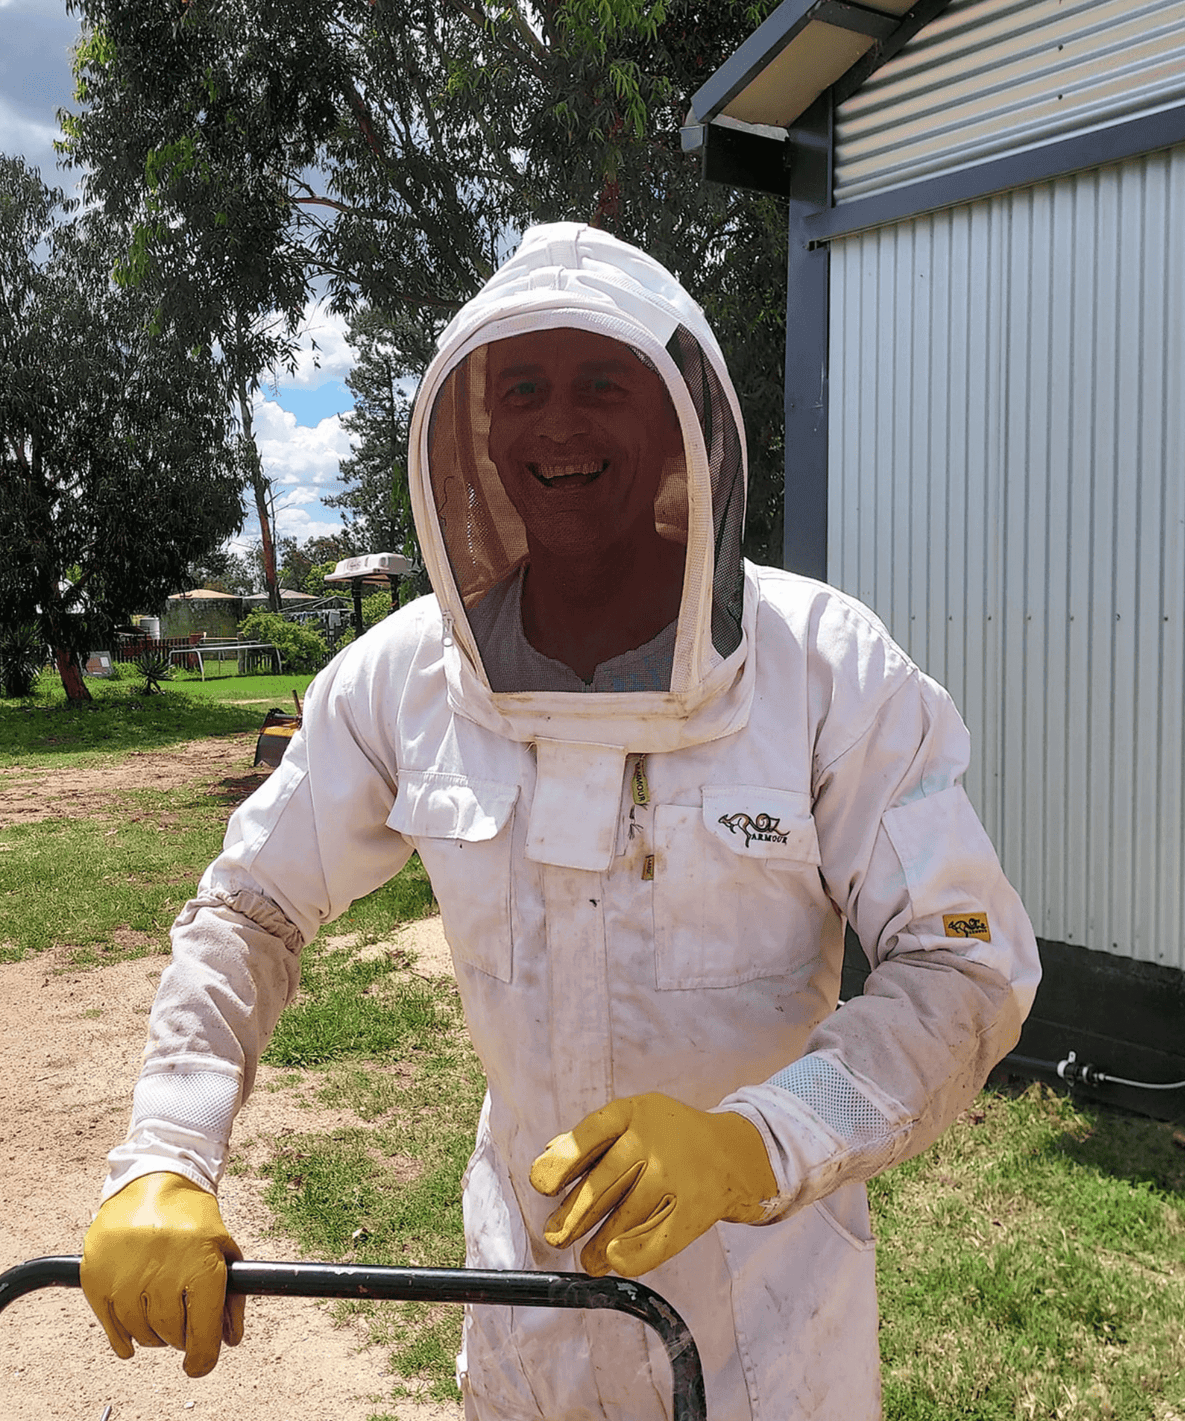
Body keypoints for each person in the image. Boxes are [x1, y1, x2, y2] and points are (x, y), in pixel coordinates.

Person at [81, 224, 1040, 1420]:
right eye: (522, 389)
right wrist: (168, 1154)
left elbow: (964, 966)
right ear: (474, 429)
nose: (560, 426)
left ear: (680, 418)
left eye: (604, 384)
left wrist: (759, 1142)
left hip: (769, 1330)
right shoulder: (403, 680)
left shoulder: (827, 672)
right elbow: (251, 904)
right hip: (521, 1319)